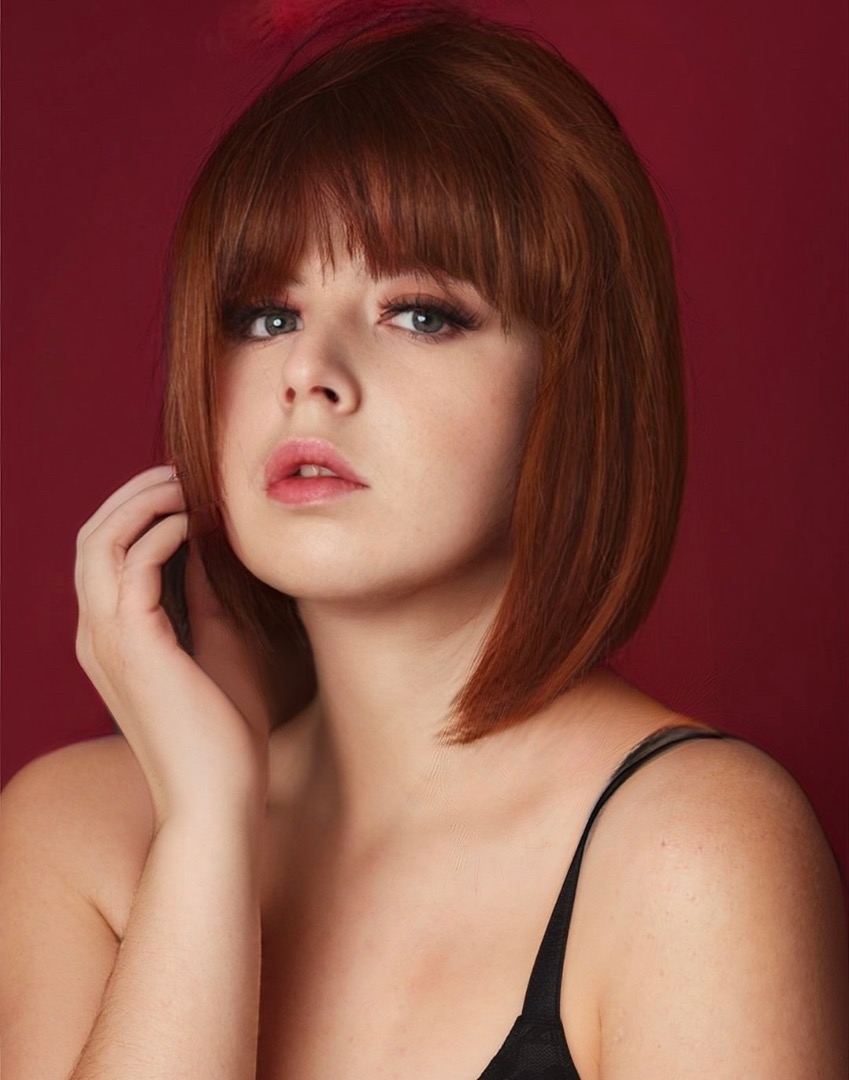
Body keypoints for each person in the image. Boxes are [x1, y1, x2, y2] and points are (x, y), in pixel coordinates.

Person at [1, 2, 846, 1077]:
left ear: (572, 385)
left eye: (420, 314)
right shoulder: (72, 834)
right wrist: (208, 825)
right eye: (265, 315)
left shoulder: (693, 848)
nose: (309, 372)